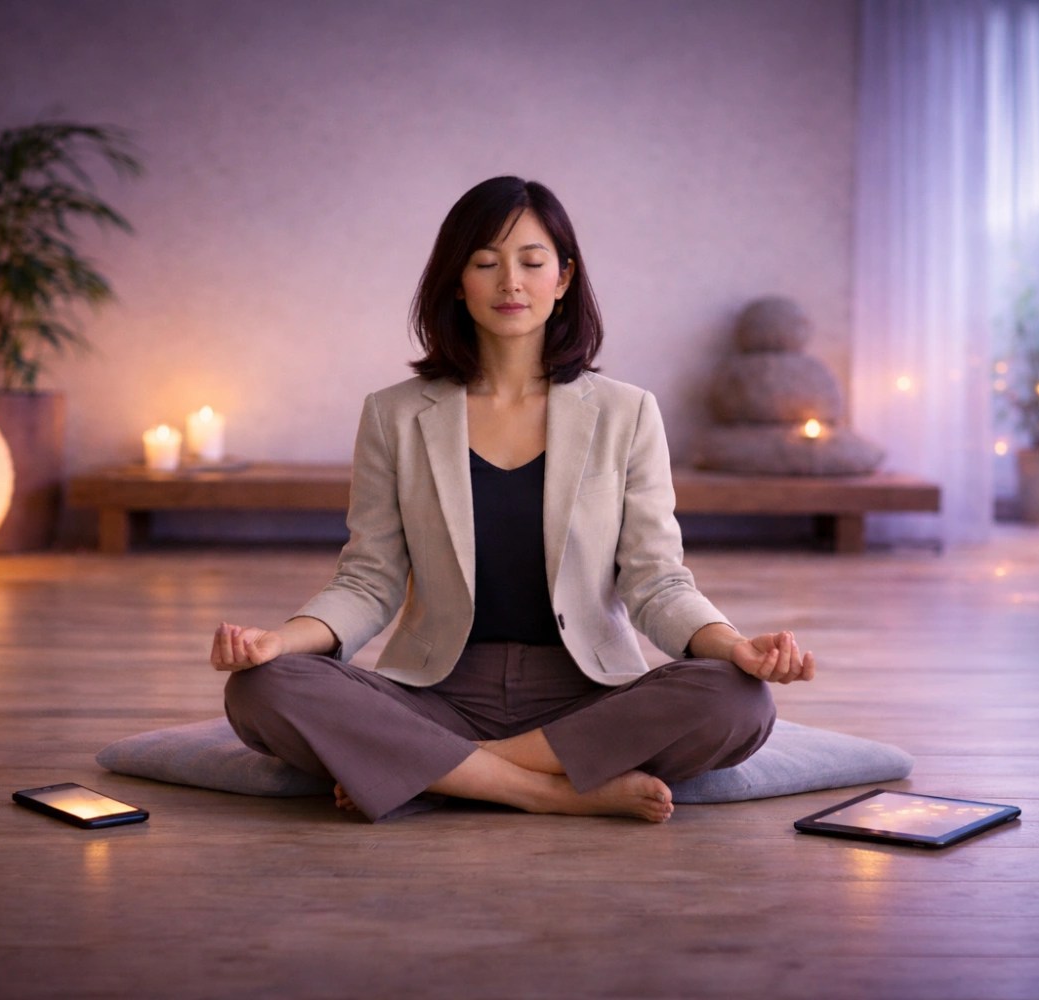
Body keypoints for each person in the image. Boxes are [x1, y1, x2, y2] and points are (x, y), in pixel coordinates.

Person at [212, 176, 814, 823]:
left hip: (587, 694)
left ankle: (439, 771)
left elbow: (656, 581)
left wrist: (733, 646)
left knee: (738, 700)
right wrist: (280, 641)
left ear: (563, 278)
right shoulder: (394, 415)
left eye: (531, 262)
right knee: (261, 689)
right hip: (438, 691)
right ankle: (542, 789)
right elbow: (368, 580)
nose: (510, 283)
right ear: (456, 281)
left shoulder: (627, 412)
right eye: (485, 263)